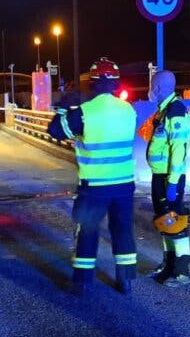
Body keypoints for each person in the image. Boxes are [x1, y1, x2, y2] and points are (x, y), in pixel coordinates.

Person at [47, 57, 139, 295]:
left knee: (87, 230)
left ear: (93, 83)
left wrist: (65, 106)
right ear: (116, 84)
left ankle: (83, 282)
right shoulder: (128, 110)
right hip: (124, 184)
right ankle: (126, 281)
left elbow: (56, 130)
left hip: (94, 186)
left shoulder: (85, 113)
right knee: (123, 231)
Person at [145, 70, 190, 286]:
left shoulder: (175, 112)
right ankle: (169, 264)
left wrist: (172, 183)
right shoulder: (164, 111)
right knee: (165, 221)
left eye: (153, 85)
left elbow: (179, 151)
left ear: (160, 88)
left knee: (175, 222)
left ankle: (181, 271)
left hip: (169, 177)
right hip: (160, 175)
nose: (151, 89)